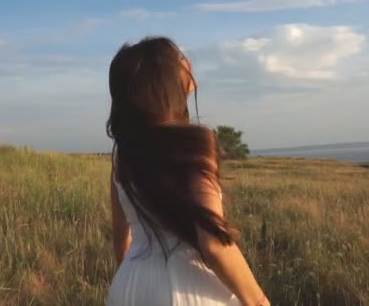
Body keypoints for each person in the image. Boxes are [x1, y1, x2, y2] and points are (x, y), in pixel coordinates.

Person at [106, 36, 269, 306]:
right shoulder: (196, 144)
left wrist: (132, 282)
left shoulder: (122, 153)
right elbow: (214, 245)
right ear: (164, 83)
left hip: (128, 285)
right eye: (181, 61)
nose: (188, 64)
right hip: (187, 289)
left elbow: (121, 237)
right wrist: (259, 301)